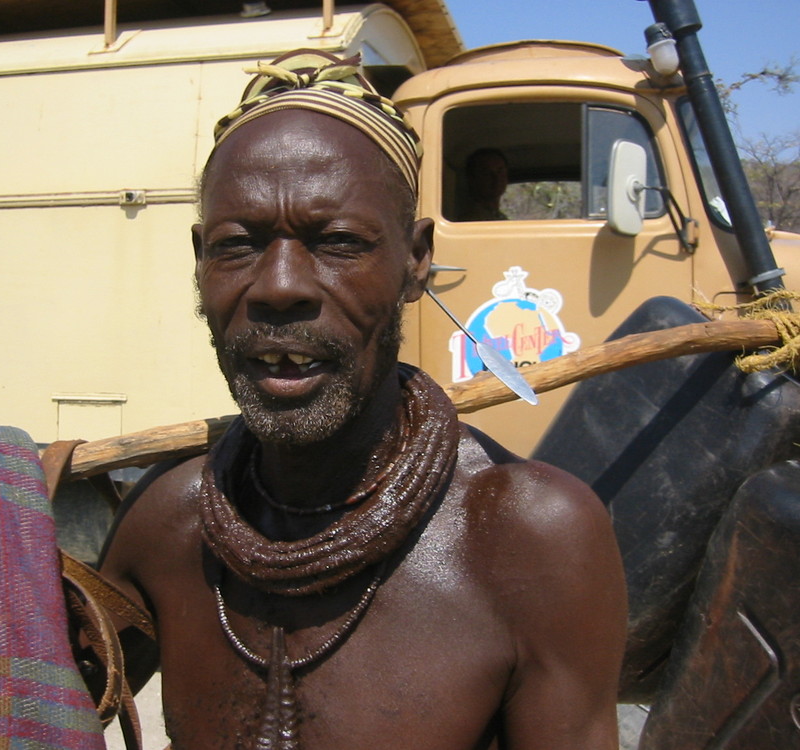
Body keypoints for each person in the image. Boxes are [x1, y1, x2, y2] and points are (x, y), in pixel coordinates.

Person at [99, 50, 627, 749]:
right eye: (237, 246)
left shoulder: (529, 542)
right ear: (200, 262)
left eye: (339, 242)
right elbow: (22, 712)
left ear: (416, 260)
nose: (278, 286)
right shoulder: (165, 526)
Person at [460, 147, 510, 221]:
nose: (496, 178)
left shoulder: (500, 217)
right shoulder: (470, 220)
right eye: (486, 172)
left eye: (500, 171)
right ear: (473, 178)